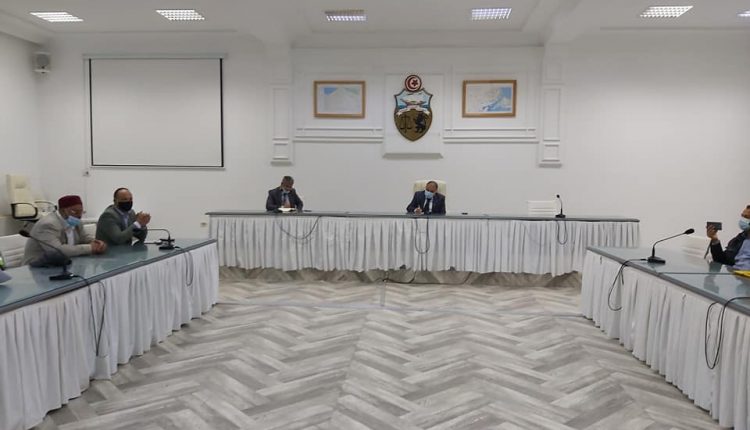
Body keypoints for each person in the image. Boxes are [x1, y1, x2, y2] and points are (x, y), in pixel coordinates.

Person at [22, 195, 107, 266]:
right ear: (62, 210)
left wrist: (96, 243)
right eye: (75, 212)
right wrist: (90, 248)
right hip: (37, 267)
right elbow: (57, 251)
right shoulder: (48, 225)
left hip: (64, 263)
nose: (79, 216)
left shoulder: (76, 220)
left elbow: (83, 238)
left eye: (81, 212)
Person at [707, 205, 750, 270]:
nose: (742, 219)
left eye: (746, 217)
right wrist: (714, 239)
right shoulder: (740, 237)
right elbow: (721, 260)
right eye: (742, 216)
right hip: (733, 273)